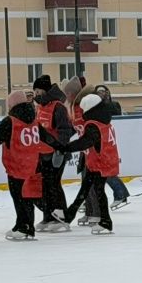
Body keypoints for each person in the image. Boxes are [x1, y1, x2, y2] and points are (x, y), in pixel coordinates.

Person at [0, 90, 46, 241]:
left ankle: (24, 227)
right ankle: (25, 225)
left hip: (16, 165)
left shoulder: (10, 121)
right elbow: (46, 138)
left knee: (19, 197)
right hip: (32, 165)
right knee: (27, 196)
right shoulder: (34, 119)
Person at [47, 92, 120, 234]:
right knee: (85, 189)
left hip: (101, 162)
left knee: (98, 191)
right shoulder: (104, 121)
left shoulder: (93, 125)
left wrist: (65, 148)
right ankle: (69, 215)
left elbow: (84, 142)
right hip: (101, 160)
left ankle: (105, 222)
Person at [32, 75, 73, 233]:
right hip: (42, 153)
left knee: (54, 184)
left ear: (45, 90)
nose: (35, 94)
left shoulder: (58, 107)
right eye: (34, 91)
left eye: (38, 90)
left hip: (56, 153)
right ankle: (48, 216)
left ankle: (61, 216)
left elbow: (65, 130)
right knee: (45, 185)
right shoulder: (40, 106)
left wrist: (59, 149)